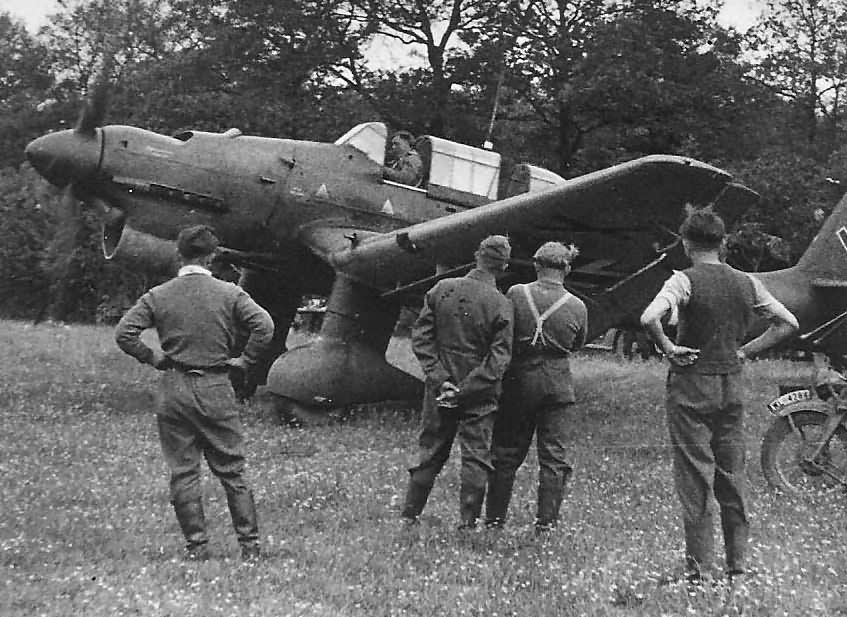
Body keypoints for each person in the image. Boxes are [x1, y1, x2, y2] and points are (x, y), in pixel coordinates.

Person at [640, 206, 798, 587]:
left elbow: (649, 317)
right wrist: (748, 350)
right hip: (731, 385)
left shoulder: (683, 280)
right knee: (732, 476)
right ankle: (738, 567)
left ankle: (699, 570)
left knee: (695, 479)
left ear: (685, 242)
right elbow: (787, 323)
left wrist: (667, 347)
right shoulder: (747, 282)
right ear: (723, 241)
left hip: (692, 387)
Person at [115, 224, 274, 561]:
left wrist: (154, 357)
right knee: (232, 469)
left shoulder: (158, 295)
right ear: (213, 256)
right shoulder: (230, 293)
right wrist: (245, 361)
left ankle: (197, 547)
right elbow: (265, 326)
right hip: (216, 386)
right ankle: (250, 546)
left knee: (183, 471)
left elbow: (125, 333)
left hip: (173, 387)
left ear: (178, 253)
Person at [401, 235, 514, 529]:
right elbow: (499, 359)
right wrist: (465, 390)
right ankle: (467, 524)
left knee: (429, 452)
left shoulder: (442, 289)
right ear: (504, 266)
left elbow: (422, 338)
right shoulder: (502, 303)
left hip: (439, 391)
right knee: (476, 457)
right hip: (479, 395)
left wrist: (441, 381)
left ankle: (409, 516)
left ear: (476, 255)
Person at [485, 242, 587, 535]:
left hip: (519, 380)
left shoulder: (517, 293)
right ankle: (546, 524)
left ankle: (494, 520)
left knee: (505, 452)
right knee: (554, 457)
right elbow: (577, 344)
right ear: (566, 269)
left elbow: (502, 328)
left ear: (536, 265)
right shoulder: (577, 305)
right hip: (558, 383)